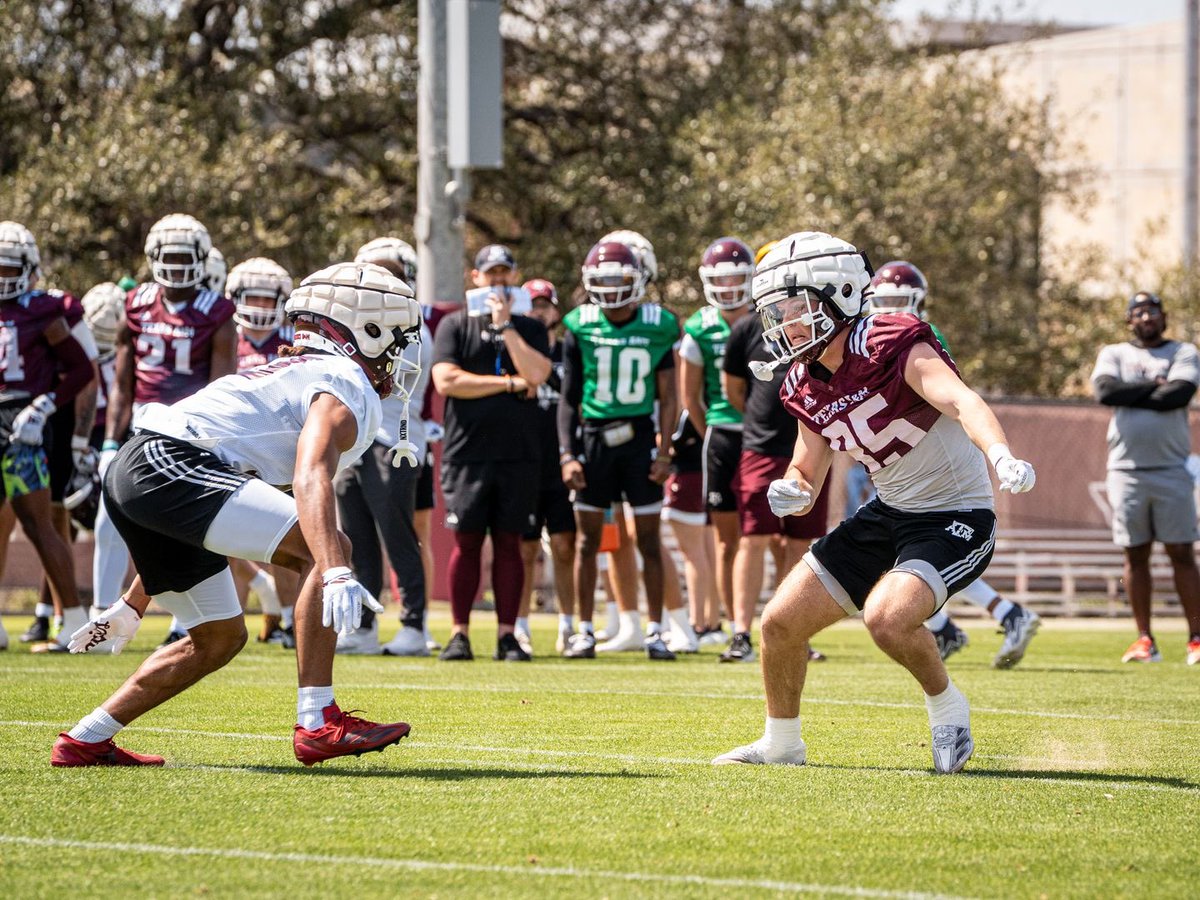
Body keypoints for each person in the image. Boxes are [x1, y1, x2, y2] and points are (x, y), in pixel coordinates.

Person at [54, 261, 421, 767]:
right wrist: (335, 568)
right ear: (365, 331)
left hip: (144, 468)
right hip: (168, 464)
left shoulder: (300, 373)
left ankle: (85, 738)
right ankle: (318, 722)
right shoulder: (343, 380)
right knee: (328, 548)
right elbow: (310, 474)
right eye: (396, 339)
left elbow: (219, 505)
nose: (400, 354)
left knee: (220, 636)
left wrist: (135, 601)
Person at [714, 232, 1036, 774]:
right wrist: (792, 488)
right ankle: (783, 743)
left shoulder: (890, 342)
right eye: (778, 313)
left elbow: (961, 399)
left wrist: (1001, 454)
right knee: (778, 625)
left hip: (955, 513)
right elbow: (806, 463)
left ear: (839, 294)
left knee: (887, 618)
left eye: (795, 309)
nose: (784, 325)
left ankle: (948, 709)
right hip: (890, 510)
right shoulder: (802, 378)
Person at [869, 260, 1041, 668]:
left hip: (928, 467)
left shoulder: (918, 339)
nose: (891, 311)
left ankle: (973, 622)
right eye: (884, 302)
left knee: (916, 559)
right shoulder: (869, 343)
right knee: (911, 560)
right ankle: (979, 620)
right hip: (894, 465)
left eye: (900, 303)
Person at [96, 214, 237, 647]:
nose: (176, 267)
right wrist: (107, 441)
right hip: (141, 423)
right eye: (168, 258)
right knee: (108, 523)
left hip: (188, 426)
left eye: (184, 258)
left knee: (185, 529)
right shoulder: (137, 303)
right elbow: (122, 383)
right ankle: (100, 617)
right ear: (153, 258)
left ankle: (182, 624)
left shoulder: (217, 310)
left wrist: (210, 438)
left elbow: (220, 383)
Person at [558, 238, 680, 660]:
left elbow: (670, 393)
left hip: (639, 437)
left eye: (619, 281)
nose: (611, 291)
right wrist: (567, 454)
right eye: (603, 282)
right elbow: (567, 398)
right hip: (592, 439)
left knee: (648, 539)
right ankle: (586, 631)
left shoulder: (659, 324)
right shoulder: (579, 324)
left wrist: (666, 451)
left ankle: (656, 631)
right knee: (588, 541)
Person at [430, 244, 551, 662]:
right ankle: (459, 633)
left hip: (519, 453)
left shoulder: (531, 328)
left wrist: (507, 329)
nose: (498, 281)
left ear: (514, 277)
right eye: (490, 273)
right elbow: (447, 380)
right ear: (475, 277)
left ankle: (507, 635)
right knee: (467, 542)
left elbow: (538, 374)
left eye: (505, 273)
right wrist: (509, 384)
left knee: (509, 543)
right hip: (468, 453)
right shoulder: (454, 324)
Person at [0, 222, 97, 652]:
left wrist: (43, 406)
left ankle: (73, 622)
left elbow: (81, 368)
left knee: (39, 524)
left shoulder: (42, 309)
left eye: (10, 268)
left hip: (21, 422)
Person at [334, 236, 432, 657]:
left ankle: (414, 624)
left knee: (397, 535)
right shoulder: (353, 319)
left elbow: (388, 380)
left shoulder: (411, 324)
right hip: (354, 440)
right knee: (356, 537)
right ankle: (365, 624)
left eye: (390, 272)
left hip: (395, 440)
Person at [721, 289, 831, 665]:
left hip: (813, 446)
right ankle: (740, 633)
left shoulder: (827, 322)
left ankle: (792, 629)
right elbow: (735, 390)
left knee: (800, 542)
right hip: (763, 447)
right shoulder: (749, 327)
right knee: (755, 538)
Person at [1091, 291, 1200, 665]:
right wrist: (1156, 383)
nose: (1146, 317)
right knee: (1135, 554)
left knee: (1181, 553)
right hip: (1126, 470)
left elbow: (1180, 394)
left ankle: (1196, 640)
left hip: (1171, 469)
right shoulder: (1114, 353)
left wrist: (1135, 393)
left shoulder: (1183, 352)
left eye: (1152, 311)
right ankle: (1144, 640)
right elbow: (1105, 392)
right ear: (1129, 321)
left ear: (1163, 317)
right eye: (1138, 312)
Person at [680, 237, 756, 638]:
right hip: (722, 436)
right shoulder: (698, 327)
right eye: (720, 279)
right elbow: (689, 397)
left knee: (767, 538)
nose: (728, 287)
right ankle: (735, 626)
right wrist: (708, 430)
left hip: (762, 439)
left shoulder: (768, 319)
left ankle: (779, 624)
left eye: (735, 279)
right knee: (727, 540)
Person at [226, 257, 301, 647]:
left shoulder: (294, 340)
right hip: (232, 449)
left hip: (276, 451)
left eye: (265, 298)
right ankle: (221, 618)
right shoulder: (223, 337)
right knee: (219, 538)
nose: (257, 306)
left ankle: (289, 619)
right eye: (249, 297)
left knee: (286, 542)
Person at [517, 277, 577, 656]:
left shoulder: (571, 348)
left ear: (555, 309)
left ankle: (569, 625)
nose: (539, 311)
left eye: (544, 304)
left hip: (562, 460)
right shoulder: (515, 350)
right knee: (523, 548)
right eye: (532, 304)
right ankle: (520, 625)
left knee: (565, 545)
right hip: (525, 460)